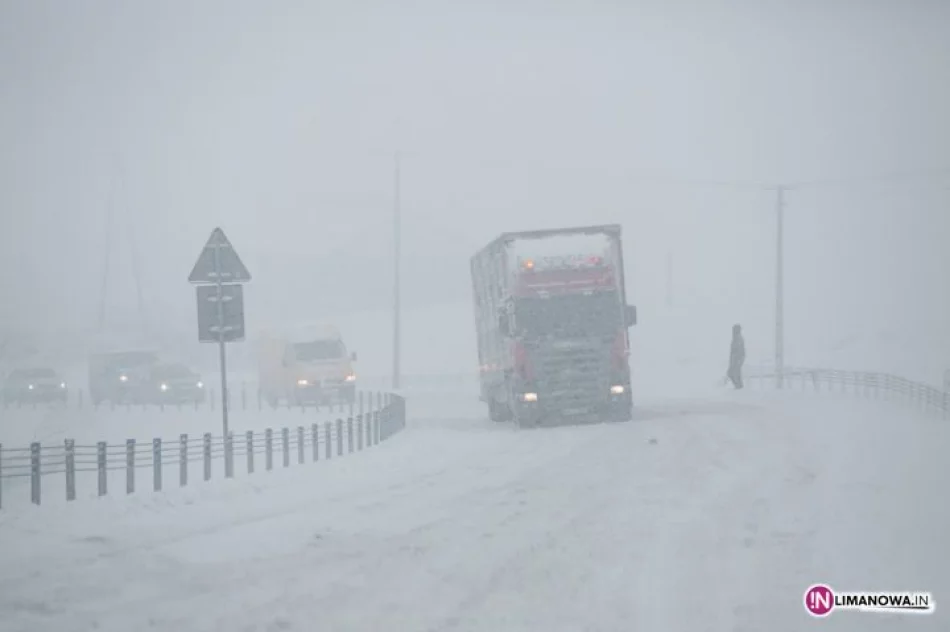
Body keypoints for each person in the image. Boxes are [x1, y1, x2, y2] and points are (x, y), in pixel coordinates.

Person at [727, 324, 745, 389]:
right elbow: (732, 351)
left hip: (737, 360)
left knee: (735, 374)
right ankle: (738, 387)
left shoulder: (739, 338)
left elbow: (740, 351)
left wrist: (738, 361)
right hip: (734, 360)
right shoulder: (735, 338)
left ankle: (739, 388)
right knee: (731, 373)